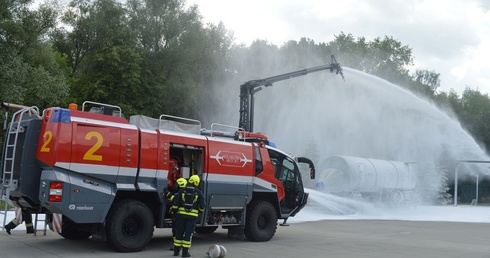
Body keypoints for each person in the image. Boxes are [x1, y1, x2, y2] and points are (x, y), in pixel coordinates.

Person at [171, 175, 206, 257]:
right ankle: (185, 253)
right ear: (197, 183)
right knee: (188, 234)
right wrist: (199, 212)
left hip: (181, 216)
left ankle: (176, 252)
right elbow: (202, 206)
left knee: (179, 232)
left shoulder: (182, 191)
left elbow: (175, 202)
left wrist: (174, 211)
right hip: (192, 217)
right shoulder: (199, 193)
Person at [165, 177, 187, 251]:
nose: (175, 186)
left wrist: (167, 193)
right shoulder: (185, 192)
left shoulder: (181, 193)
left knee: (176, 231)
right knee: (179, 231)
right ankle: (179, 246)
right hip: (181, 215)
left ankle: (177, 246)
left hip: (179, 215)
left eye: (177, 184)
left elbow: (174, 199)